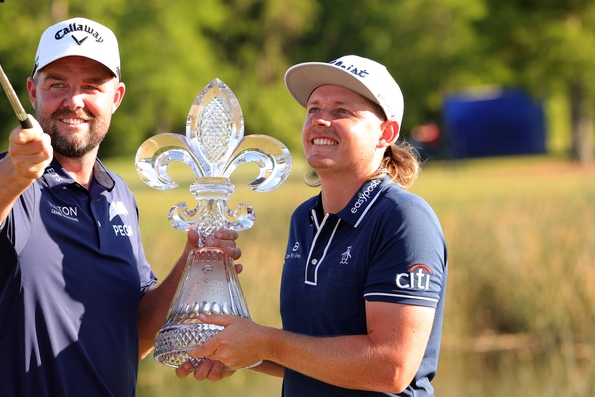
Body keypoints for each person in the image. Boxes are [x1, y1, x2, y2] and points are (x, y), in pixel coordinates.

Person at [0, 17, 240, 396]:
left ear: (116, 98)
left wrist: (193, 263)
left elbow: (134, 335)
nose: (74, 100)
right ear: (32, 93)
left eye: (91, 86)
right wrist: (14, 169)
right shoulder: (11, 184)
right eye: (57, 84)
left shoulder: (118, 194)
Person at [178, 55, 447, 396]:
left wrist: (266, 343)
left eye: (341, 111)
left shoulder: (403, 219)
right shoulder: (304, 219)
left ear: (386, 133)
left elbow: (390, 367)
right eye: (314, 110)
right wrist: (235, 350)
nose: (320, 121)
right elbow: (308, 352)